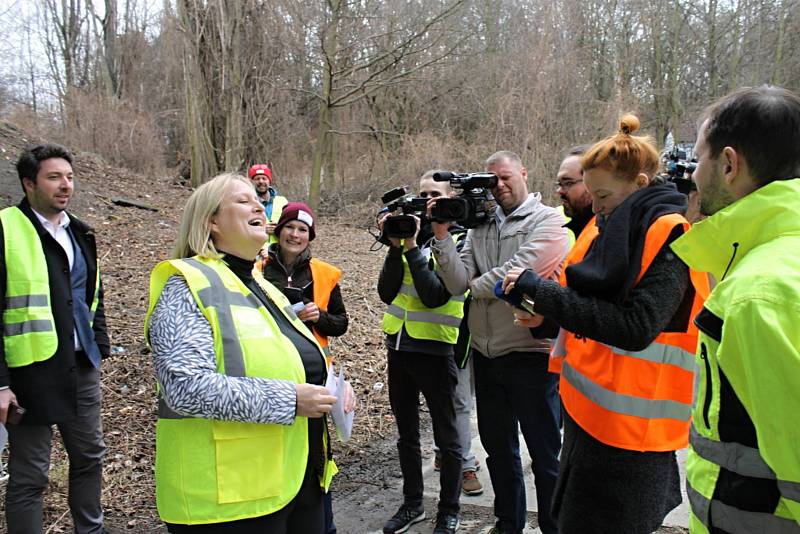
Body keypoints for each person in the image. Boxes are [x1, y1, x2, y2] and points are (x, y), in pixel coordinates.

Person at [503, 115, 703, 534]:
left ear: (641, 184)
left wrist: (542, 293)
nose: (594, 206)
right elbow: (578, 305)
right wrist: (544, 318)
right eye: (591, 194)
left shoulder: (672, 237)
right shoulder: (606, 225)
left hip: (634, 437)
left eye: (604, 196)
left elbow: (635, 326)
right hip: (586, 420)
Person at [145, 173, 354, 533]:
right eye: (242, 201)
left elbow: (292, 358)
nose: (258, 204)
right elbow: (184, 387)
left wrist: (331, 388)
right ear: (211, 221)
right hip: (229, 500)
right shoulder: (186, 284)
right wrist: (290, 400)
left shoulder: (262, 287)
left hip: (298, 479)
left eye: (256, 201)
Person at [670, 85, 800, 532]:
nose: (692, 176)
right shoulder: (778, 262)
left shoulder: (758, 293)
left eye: (699, 160)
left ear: (728, 164)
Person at [431, 151, 569, 534]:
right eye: (492, 181)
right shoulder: (479, 227)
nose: (500, 186)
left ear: (524, 173)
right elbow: (455, 282)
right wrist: (442, 237)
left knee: (545, 454)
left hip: (530, 354)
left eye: (506, 177)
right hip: (486, 355)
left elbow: (519, 272)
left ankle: (553, 526)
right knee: (499, 451)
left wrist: (476, 288)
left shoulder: (549, 221)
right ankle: (507, 522)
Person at [1, 143, 111, 534]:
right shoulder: (6, 228)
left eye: (69, 177)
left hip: (80, 366)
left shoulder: (80, 231)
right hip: (29, 372)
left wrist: (99, 343)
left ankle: (91, 530)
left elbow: (91, 294)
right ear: (29, 183)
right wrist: (1, 384)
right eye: (54, 177)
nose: (65, 185)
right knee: (30, 475)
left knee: (90, 457)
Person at [377, 170, 466, 534]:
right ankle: (413, 503)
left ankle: (449, 510)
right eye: (423, 194)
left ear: (448, 199)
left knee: (447, 437)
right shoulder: (407, 235)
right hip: (399, 346)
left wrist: (412, 247)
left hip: (435, 349)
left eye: (435, 195)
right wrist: (395, 245)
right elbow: (386, 291)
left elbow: (434, 296)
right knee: (407, 434)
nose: (427, 201)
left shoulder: (458, 242)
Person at [256, 201, 351, 534]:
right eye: (290, 227)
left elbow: (340, 323)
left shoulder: (322, 273)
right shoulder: (256, 266)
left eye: (302, 230)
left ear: (310, 237)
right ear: (278, 230)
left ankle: (323, 523)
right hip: (267, 372)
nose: (295, 235)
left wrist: (318, 317)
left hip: (312, 376)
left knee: (315, 452)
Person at [555, 145, 594, 243]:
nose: (559, 191)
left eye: (568, 183)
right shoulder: (583, 227)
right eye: (559, 184)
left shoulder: (612, 233)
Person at [248, 163, 288, 243]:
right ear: (251, 182)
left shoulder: (282, 201)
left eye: (264, 178)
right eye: (257, 179)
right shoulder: (247, 204)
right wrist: (261, 230)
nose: (261, 181)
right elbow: (240, 230)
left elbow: (291, 225)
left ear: (269, 181)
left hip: (280, 251)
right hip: (256, 252)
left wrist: (279, 228)